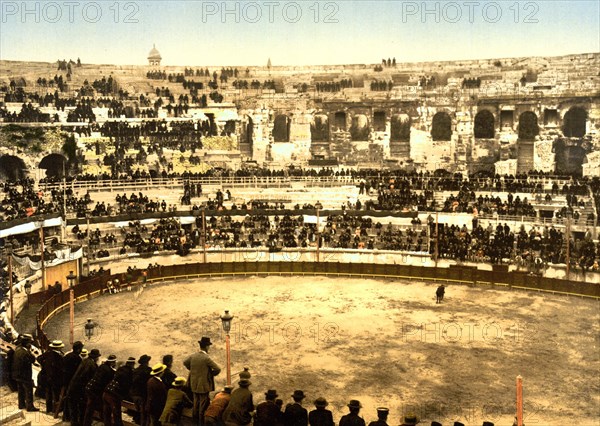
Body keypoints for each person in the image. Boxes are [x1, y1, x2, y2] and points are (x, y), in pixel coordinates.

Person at [183, 336, 221, 424]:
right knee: (202, 407)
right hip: (203, 386)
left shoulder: (193, 356)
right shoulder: (206, 358)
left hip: (194, 385)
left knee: (195, 405)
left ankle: (194, 423)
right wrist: (210, 374)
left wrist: (192, 370)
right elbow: (218, 369)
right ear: (207, 347)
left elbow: (185, 362)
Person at [67, 348, 101, 426]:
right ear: (96, 357)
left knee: (74, 409)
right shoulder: (92, 365)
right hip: (80, 390)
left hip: (73, 387)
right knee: (83, 408)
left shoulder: (85, 361)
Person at [83, 354, 117, 426]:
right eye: (114, 362)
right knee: (100, 408)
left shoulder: (102, 366)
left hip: (90, 388)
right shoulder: (110, 371)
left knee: (90, 407)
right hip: (95, 391)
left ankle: (87, 423)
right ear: (112, 362)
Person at [102, 356, 135, 426]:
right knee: (117, 416)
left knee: (107, 415)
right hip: (114, 396)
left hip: (106, 391)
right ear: (132, 364)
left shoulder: (120, 368)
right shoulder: (130, 372)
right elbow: (128, 386)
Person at [11, 334, 39, 411]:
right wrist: (30, 352)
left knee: (20, 391)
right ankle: (30, 407)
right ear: (27, 344)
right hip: (25, 375)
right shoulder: (25, 352)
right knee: (28, 391)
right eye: (30, 343)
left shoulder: (18, 349)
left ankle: (21, 405)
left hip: (17, 374)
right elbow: (32, 360)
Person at [37, 339, 65, 413]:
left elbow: (39, 358)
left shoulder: (47, 353)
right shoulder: (59, 356)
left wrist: (44, 366)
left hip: (46, 377)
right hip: (55, 378)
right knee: (56, 394)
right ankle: (55, 409)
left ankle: (49, 409)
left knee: (48, 394)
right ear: (59, 348)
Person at [60, 341, 85, 420]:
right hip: (72, 382)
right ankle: (70, 417)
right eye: (81, 348)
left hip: (65, 380)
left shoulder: (67, 356)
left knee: (67, 398)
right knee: (72, 400)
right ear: (78, 349)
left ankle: (66, 416)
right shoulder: (78, 358)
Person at [130, 354, 152, 425]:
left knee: (137, 412)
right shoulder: (148, 370)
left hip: (133, 395)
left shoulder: (136, 370)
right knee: (143, 414)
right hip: (142, 395)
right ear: (146, 362)